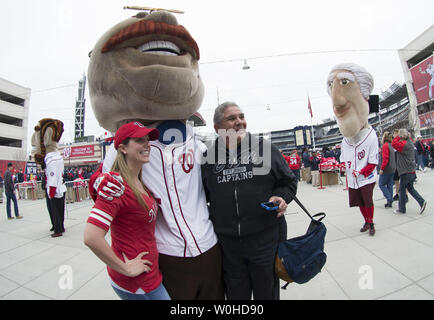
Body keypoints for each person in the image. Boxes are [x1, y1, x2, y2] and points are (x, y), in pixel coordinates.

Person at [201, 102, 297, 300]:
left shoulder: (265, 149)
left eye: (241, 116)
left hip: (264, 239)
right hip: (228, 245)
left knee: (267, 294)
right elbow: (202, 197)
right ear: (218, 128)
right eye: (232, 118)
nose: (239, 122)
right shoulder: (208, 158)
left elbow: (288, 182)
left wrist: (281, 197)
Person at [84, 122, 170, 300]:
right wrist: (125, 268)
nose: (147, 144)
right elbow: (91, 237)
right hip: (138, 284)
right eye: (139, 140)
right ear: (123, 148)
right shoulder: (116, 186)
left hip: (150, 276)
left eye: (147, 139)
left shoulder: (140, 181)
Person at [327, 63, 378, 236]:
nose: (336, 100)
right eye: (331, 85)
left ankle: (371, 223)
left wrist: (361, 172)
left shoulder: (371, 135)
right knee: (360, 203)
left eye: (344, 83)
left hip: (365, 177)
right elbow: (343, 159)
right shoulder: (345, 140)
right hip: (353, 179)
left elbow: (372, 162)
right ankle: (366, 221)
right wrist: (343, 168)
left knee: (368, 201)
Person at [391, 129, 427, 215]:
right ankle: (422, 202)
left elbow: (393, 144)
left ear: (402, 136)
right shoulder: (410, 142)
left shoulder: (404, 144)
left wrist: (398, 136)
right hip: (411, 170)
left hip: (405, 171)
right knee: (410, 188)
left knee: (402, 190)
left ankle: (402, 209)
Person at [378, 131, 396, 208]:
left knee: (381, 184)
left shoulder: (385, 146)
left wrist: (382, 168)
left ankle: (389, 198)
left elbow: (385, 159)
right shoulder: (391, 145)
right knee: (390, 185)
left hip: (386, 168)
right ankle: (389, 201)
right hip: (392, 168)